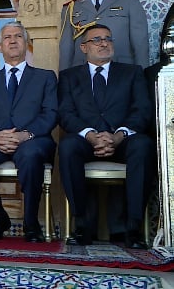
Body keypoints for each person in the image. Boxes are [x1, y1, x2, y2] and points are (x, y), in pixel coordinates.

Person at [58, 24, 153, 249]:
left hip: (122, 140)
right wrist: (91, 135)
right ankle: (81, 225)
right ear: (83, 47)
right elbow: (65, 113)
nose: (104, 43)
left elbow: (142, 110)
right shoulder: (69, 77)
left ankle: (132, 228)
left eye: (108, 39)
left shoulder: (132, 72)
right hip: (86, 140)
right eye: (97, 40)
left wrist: (118, 136)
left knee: (143, 145)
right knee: (67, 147)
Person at [0, 21, 58, 242]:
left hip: (33, 140)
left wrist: (24, 135)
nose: (13, 40)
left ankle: (31, 222)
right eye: (7, 37)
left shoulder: (45, 77)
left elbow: (51, 114)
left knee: (30, 154)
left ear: (26, 43)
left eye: (18, 36)